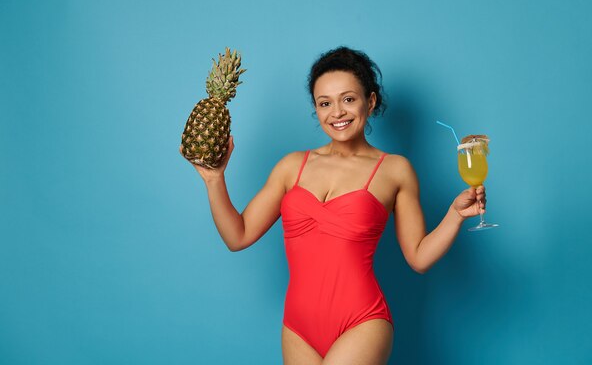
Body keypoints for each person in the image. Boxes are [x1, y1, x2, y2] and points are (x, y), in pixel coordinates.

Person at [180, 46, 488, 365]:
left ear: (370, 101)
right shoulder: (291, 167)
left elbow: (419, 258)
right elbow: (238, 236)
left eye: (348, 99)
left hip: (363, 321)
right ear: (316, 109)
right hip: (298, 329)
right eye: (325, 103)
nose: (337, 112)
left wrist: (454, 215)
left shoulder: (395, 170)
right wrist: (214, 179)